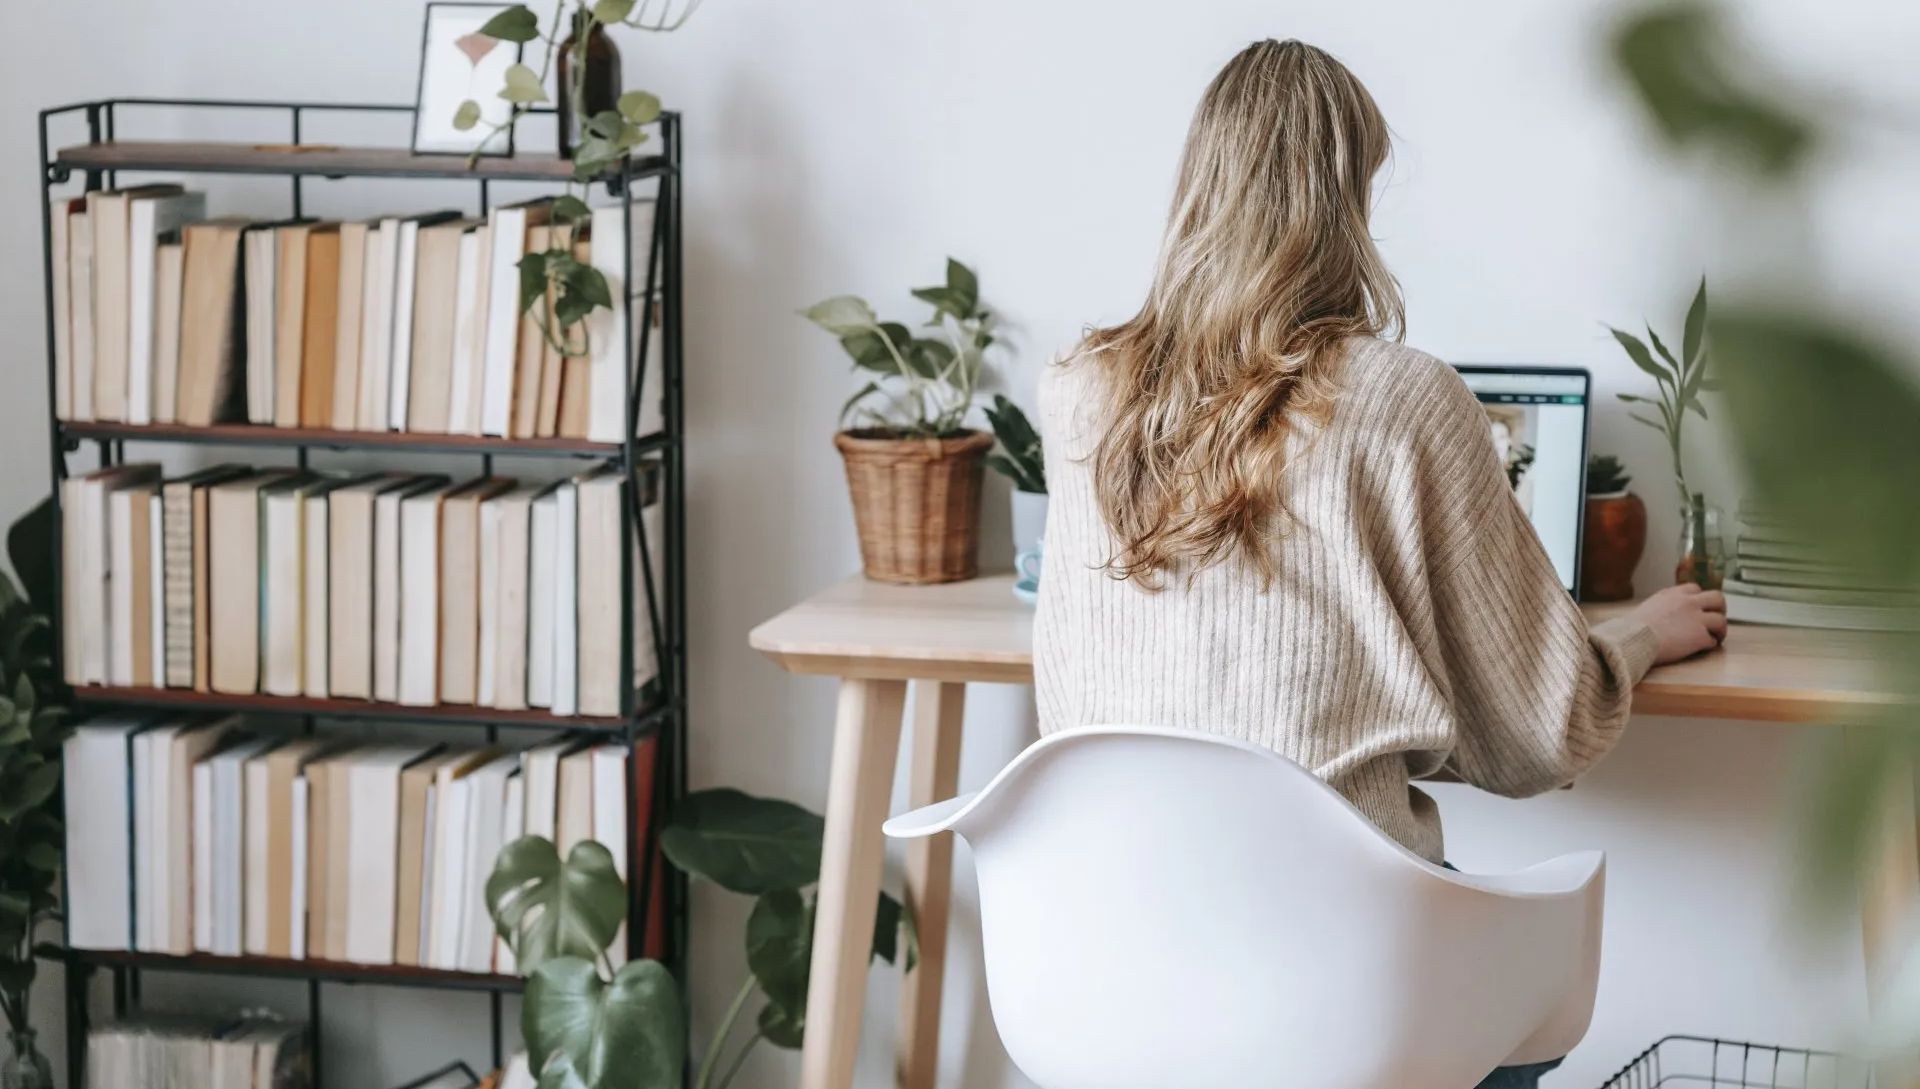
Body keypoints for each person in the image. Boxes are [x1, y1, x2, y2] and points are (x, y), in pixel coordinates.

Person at [1032, 38, 1726, 1088]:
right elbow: (1544, 732)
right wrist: (1639, 633)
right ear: (1346, 196)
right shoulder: (1402, 399)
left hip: (1103, 985)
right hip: (1341, 999)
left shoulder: (1078, 393)